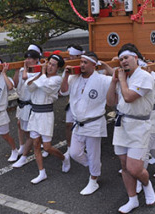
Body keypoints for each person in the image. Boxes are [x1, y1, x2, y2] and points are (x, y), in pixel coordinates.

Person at [107, 44, 155, 212]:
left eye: (126, 58)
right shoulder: (124, 78)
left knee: (135, 167)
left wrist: (121, 80)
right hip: (122, 124)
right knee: (124, 165)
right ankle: (132, 199)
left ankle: (147, 184)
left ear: (136, 58)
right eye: (120, 59)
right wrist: (114, 82)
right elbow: (110, 102)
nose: (123, 62)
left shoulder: (144, 76)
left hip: (139, 125)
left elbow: (129, 97)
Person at [60, 51, 112, 195]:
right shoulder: (74, 78)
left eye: (85, 62)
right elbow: (63, 91)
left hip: (94, 123)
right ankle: (94, 167)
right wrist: (65, 75)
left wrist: (107, 65)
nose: (81, 65)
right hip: (78, 122)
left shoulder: (102, 79)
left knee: (94, 153)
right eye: (81, 62)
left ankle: (93, 180)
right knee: (75, 153)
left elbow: (117, 79)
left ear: (94, 65)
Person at [26, 54, 70, 184]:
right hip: (34, 112)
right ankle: (41, 172)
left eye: (53, 65)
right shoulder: (41, 75)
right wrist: (40, 74)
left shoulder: (57, 79)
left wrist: (42, 73)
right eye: (49, 63)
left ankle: (63, 158)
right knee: (35, 144)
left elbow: (46, 87)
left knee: (47, 147)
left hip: (46, 114)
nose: (50, 66)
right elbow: (30, 87)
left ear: (58, 68)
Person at [11, 49, 41, 167]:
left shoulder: (38, 71)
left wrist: (24, 69)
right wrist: (17, 69)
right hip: (22, 104)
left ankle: (24, 156)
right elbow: (15, 84)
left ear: (36, 60)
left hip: (31, 105)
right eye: (26, 58)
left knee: (30, 131)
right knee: (24, 129)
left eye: (30, 59)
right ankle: (28, 149)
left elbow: (25, 78)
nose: (27, 61)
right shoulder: (23, 70)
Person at [63, 44, 84, 161]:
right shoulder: (68, 67)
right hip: (72, 101)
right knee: (68, 124)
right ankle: (69, 147)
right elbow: (64, 89)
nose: (70, 58)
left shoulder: (85, 65)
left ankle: (82, 146)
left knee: (83, 125)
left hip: (84, 103)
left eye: (72, 56)